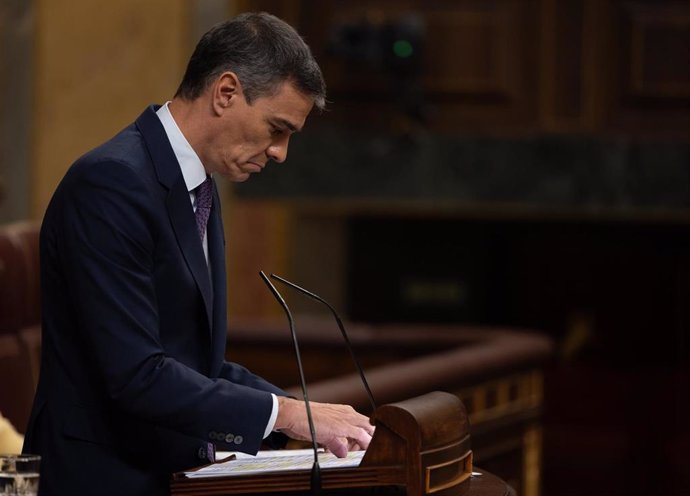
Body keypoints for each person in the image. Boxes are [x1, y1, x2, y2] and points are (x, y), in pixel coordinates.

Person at [23, 12, 374, 495]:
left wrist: (304, 416)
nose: (280, 153)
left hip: (167, 474)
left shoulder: (199, 185)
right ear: (226, 92)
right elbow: (137, 375)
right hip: (103, 478)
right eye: (277, 128)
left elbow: (193, 363)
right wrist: (288, 415)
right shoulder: (111, 184)